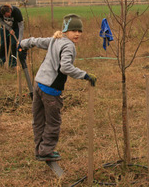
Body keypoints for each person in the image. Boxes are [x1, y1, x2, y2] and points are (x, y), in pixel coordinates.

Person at [19, 14, 97, 161]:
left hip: (39, 84)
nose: (77, 34)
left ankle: (39, 150)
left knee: (38, 120)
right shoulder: (68, 45)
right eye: (74, 30)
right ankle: (46, 151)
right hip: (51, 90)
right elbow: (65, 68)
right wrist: (85, 75)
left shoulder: (55, 40)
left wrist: (23, 44)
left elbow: (36, 41)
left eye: (79, 31)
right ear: (66, 30)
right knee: (53, 122)